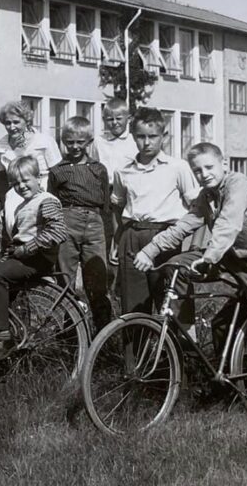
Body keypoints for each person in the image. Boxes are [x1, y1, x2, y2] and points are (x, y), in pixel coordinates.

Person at [136, 143, 247, 430]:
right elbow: (185, 225)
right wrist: (150, 250)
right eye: (197, 170)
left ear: (224, 164)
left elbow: (229, 224)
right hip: (230, 258)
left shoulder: (238, 184)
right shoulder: (206, 196)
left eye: (209, 167)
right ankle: (211, 367)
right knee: (181, 274)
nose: (204, 174)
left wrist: (209, 256)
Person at [111, 107, 199, 317]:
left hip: (166, 238)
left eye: (153, 136)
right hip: (131, 237)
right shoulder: (123, 171)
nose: (147, 142)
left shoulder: (178, 167)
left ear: (163, 136)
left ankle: (177, 349)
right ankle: (136, 349)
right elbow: (118, 206)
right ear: (133, 136)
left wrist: (194, 245)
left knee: (170, 302)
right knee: (134, 306)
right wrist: (117, 241)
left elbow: (198, 207)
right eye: (141, 137)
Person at [0, 155, 69, 360]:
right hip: (23, 256)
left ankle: (4, 337)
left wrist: (27, 249)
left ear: (39, 178)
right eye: (15, 183)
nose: (21, 186)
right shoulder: (23, 205)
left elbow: (58, 232)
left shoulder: (46, 201)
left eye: (25, 180)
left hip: (37, 258)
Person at [47, 116, 113, 330]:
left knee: (97, 279)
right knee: (65, 279)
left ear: (89, 142)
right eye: (69, 142)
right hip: (67, 222)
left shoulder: (99, 169)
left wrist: (108, 234)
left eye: (80, 142)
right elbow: (52, 202)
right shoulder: (57, 170)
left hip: (95, 224)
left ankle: (103, 334)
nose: (74, 147)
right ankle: (70, 333)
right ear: (63, 141)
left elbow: (105, 205)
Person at [0, 100, 62, 222]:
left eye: (16, 122)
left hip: (44, 190)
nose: (11, 127)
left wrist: (51, 197)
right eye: (7, 123)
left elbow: (57, 172)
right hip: (15, 192)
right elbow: (1, 178)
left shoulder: (45, 141)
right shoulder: (0, 145)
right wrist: (4, 203)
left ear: (27, 121)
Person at [92, 97, 138, 269]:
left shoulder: (134, 141)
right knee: (107, 231)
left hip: (128, 192)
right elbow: (95, 166)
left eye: (119, 118)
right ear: (104, 120)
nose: (114, 123)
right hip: (106, 191)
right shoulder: (99, 141)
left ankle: (125, 271)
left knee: (124, 230)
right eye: (110, 119)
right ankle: (108, 272)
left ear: (128, 118)